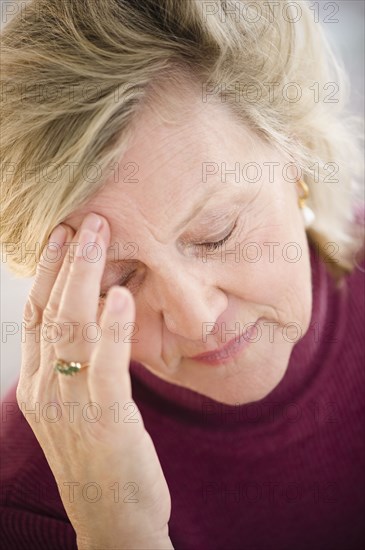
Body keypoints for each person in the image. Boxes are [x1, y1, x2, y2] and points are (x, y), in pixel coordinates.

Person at [1, 1, 364, 549]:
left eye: (217, 233)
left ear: (297, 157)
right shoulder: (32, 496)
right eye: (118, 283)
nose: (196, 320)